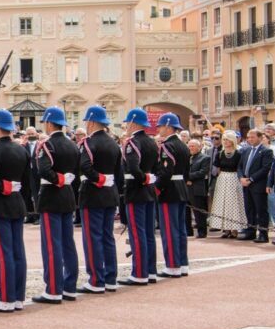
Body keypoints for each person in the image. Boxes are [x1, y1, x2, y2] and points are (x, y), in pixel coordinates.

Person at [0, 109, 30, 312]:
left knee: (4, 252)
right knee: (18, 251)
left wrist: (3, 187)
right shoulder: (22, 149)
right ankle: (18, 296)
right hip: (18, 202)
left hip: (0, 202)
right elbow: (28, 181)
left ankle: (6, 297)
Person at [31, 106, 79, 303]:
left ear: (50, 123)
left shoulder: (46, 145)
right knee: (68, 243)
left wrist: (58, 179)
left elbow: (42, 170)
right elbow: (76, 172)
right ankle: (70, 286)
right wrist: (64, 180)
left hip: (51, 195)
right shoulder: (72, 145)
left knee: (52, 244)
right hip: (67, 195)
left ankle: (53, 289)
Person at [77, 105, 121, 294]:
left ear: (93, 122)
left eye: (87, 121)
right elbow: (119, 171)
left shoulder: (88, 143)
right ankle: (111, 277)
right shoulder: (114, 143)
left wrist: (98, 179)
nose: (86, 125)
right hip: (110, 193)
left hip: (93, 193)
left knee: (92, 237)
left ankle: (96, 279)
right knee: (107, 236)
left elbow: (85, 166)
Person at [117, 108, 159, 286]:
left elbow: (133, 167)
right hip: (149, 189)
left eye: (128, 123)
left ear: (134, 123)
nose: (126, 126)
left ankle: (139, 272)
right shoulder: (151, 142)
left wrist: (142, 178)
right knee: (149, 232)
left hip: (136, 189)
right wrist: (148, 178)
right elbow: (155, 166)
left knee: (137, 232)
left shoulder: (132, 143)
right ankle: (150, 271)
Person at [154, 113, 191, 277]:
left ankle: (173, 265)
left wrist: (156, 188)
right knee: (180, 229)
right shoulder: (183, 145)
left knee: (169, 229)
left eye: (161, 126)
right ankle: (182, 263)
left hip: (169, 190)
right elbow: (187, 171)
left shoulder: (167, 146)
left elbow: (166, 171)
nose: (159, 129)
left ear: (168, 126)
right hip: (181, 187)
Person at [209, 131, 246, 238]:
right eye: (224, 139)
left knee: (234, 203)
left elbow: (240, 167)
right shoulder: (220, 153)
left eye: (227, 139)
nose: (225, 142)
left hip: (234, 178)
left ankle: (234, 228)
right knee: (222, 203)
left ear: (232, 140)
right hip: (222, 179)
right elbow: (217, 168)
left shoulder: (238, 153)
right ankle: (226, 229)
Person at [238, 129, 273, 243]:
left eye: (252, 137)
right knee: (249, 209)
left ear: (260, 137)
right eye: (248, 137)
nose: (250, 139)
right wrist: (241, 177)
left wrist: (251, 179)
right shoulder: (246, 150)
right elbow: (240, 166)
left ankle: (263, 234)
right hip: (245, 184)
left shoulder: (266, 151)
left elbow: (265, 168)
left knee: (261, 209)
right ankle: (250, 231)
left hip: (258, 184)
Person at [186, 139, 210, 239]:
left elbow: (203, 172)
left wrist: (188, 177)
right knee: (186, 211)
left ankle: (202, 232)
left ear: (199, 147)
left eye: (193, 146)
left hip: (197, 188)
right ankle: (188, 231)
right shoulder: (187, 157)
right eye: (190, 146)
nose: (191, 148)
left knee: (199, 212)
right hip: (186, 188)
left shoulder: (205, 158)